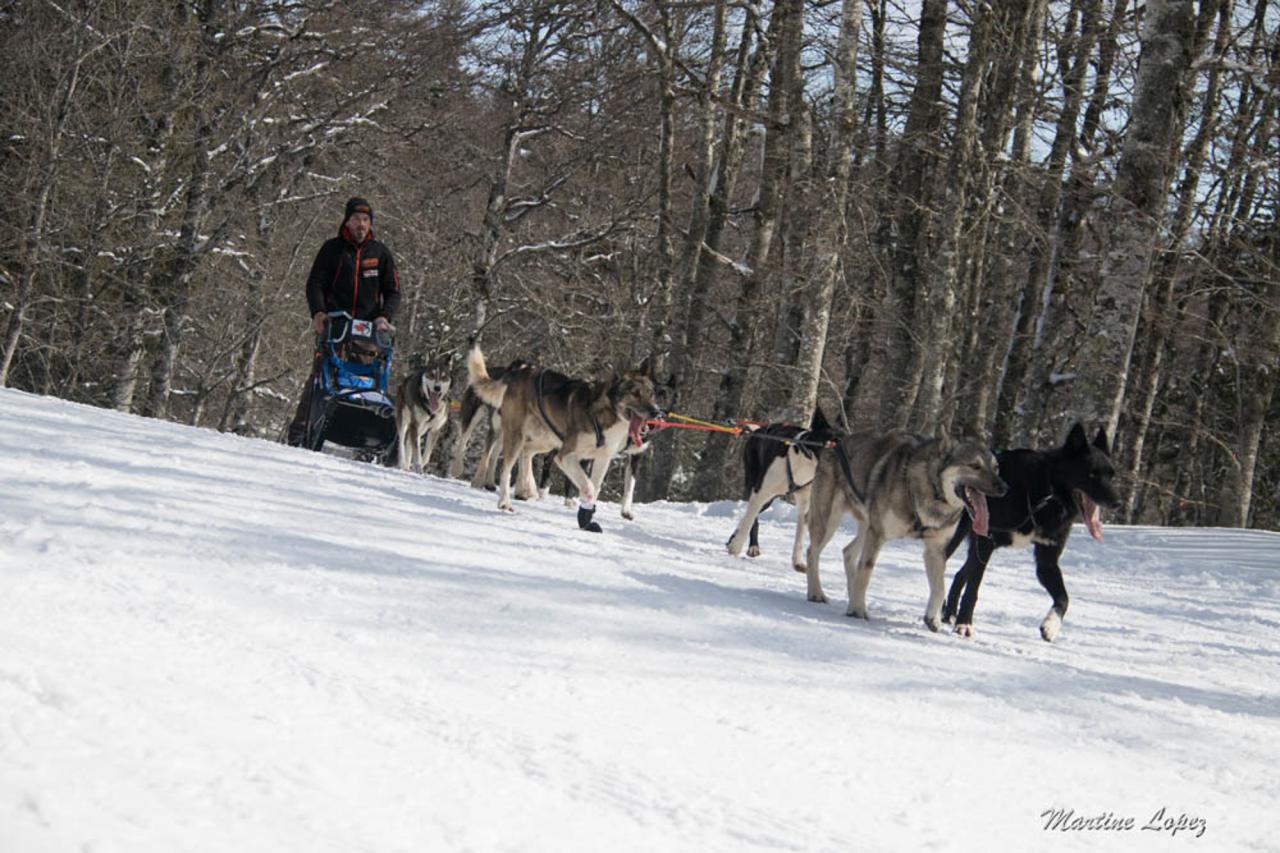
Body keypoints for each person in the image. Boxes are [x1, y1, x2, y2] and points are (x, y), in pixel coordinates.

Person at [286, 196, 401, 447]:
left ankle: (365, 439)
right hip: (336, 327)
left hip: (368, 332)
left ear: (371, 224)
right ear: (347, 221)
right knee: (321, 381)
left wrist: (385, 317)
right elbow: (315, 283)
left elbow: (393, 291)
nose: (361, 224)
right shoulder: (332, 249)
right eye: (357, 219)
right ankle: (299, 435)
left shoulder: (380, 254)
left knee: (366, 384)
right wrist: (318, 312)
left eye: (366, 220)